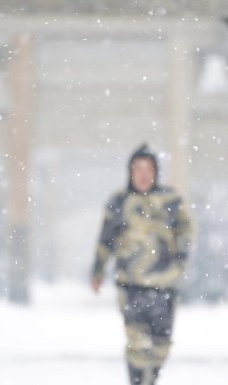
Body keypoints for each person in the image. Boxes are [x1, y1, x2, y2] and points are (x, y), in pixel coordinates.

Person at [91, 144, 192, 385]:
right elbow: (105, 239)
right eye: (138, 169)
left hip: (165, 285)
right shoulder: (119, 202)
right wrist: (98, 271)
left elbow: (186, 232)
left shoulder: (171, 201)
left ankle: (151, 378)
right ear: (130, 172)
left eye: (148, 169)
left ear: (156, 172)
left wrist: (180, 261)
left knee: (161, 345)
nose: (143, 175)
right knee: (137, 342)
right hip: (131, 284)